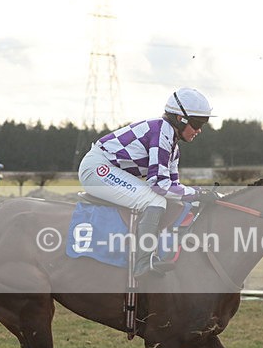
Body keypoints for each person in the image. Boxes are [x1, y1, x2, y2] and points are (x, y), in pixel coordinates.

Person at [78, 87, 218, 278]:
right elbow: (160, 186)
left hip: (106, 168)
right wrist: (197, 193)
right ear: (180, 119)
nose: (199, 130)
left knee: (166, 200)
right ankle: (143, 263)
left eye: (203, 124)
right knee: (154, 201)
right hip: (97, 168)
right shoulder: (161, 131)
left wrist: (197, 196)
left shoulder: (173, 147)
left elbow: (173, 188)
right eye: (196, 123)